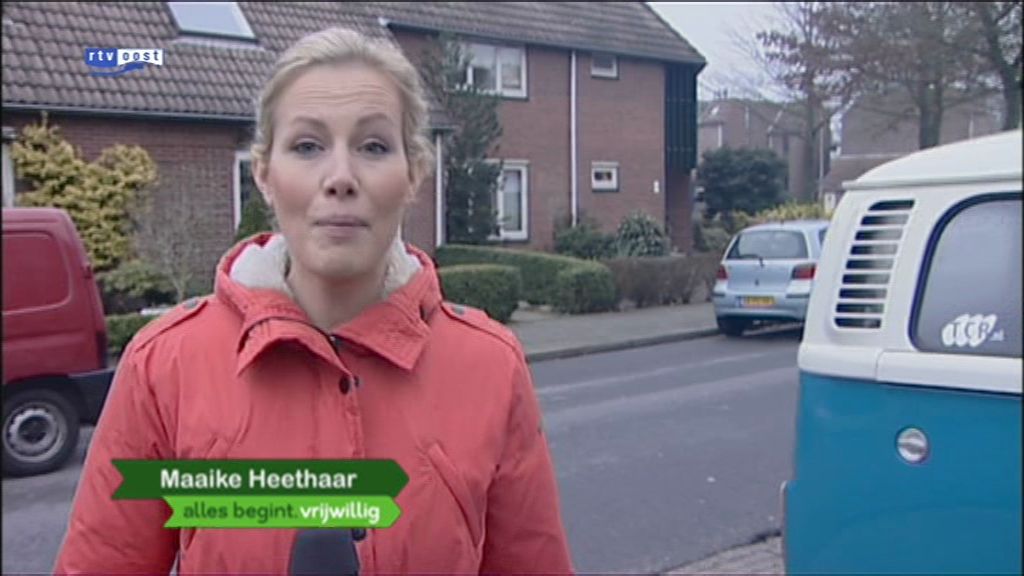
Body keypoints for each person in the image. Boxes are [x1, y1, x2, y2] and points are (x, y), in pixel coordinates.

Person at [54, 26, 573, 574]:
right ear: (264, 174)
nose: (340, 178)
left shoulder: (490, 366)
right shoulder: (165, 367)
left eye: (373, 147)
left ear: (414, 174)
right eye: (307, 146)